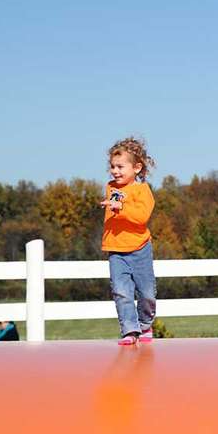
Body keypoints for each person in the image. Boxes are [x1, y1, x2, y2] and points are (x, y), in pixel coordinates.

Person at [100, 137, 157, 346]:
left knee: (147, 292)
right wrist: (117, 206)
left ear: (136, 167)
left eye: (120, 167)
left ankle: (145, 324)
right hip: (116, 249)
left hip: (140, 248)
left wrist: (120, 209)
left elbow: (141, 217)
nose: (115, 171)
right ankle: (129, 330)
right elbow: (115, 202)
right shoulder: (111, 188)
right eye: (112, 167)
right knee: (121, 291)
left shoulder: (143, 191)